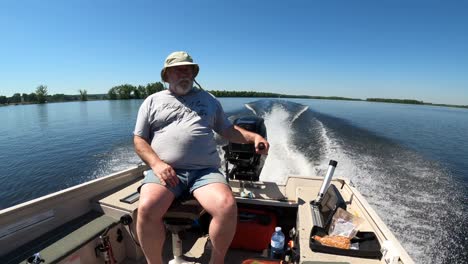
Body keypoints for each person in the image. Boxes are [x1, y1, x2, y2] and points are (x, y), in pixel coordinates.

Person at [133, 51, 269, 264]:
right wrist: (157, 164)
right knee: (147, 208)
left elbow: (228, 130)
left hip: (204, 172)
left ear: (194, 73)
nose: (184, 73)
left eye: (188, 69)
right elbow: (139, 140)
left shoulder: (209, 100)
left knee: (226, 206)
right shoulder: (152, 101)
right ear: (167, 75)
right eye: (178, 69)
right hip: (166, 171)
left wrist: (254, 137)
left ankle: (217, 262)